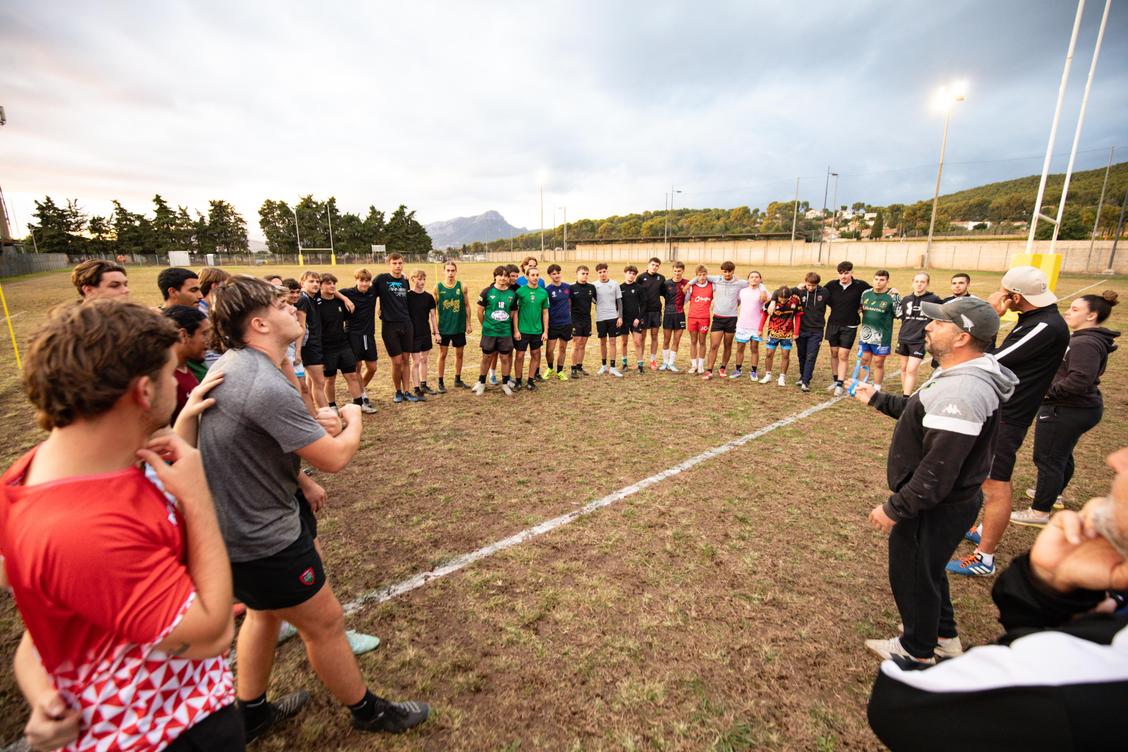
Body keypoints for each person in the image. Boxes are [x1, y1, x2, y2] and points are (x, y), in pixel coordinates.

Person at [195, 275, 429, 740]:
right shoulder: (262, 381)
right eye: (282, 306)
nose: (293, 311)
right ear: (259, 323)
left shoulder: (236, 366)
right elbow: (336, 458)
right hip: (264, 536)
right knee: (325, 623)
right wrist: (352, 418)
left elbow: (264, 434)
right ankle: (368, 712)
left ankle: (251, 709)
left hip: (233, 529)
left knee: (264, 614)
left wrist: (311, 424)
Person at [1, 301, 239, 751]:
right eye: (172, 373)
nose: (179, 383)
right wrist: (197, 498)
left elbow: (52, 620)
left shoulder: (43, 471)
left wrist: (42, 694)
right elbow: (211, 634)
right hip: (163, 733)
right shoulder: (84, 528)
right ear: (143, 393)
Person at [867, 446, 1128, 751]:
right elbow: (1027, 632)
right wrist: (1051, 586)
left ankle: (920, 644)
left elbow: (899, 704)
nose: (1117, 458)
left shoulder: (1102, 672)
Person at [853, 297, 1017, 665]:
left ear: (962, 337)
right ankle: (942, 637)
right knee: (927, 572)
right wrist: (880, 399)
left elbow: (938, 469)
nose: (928, 326)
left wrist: (897, 508)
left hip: (936, 505)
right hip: (945, 502)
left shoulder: (964, 390)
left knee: (913, 574)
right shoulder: (962, 373)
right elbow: (925, 410)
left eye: (939, 323)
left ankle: (917, 650)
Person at [949, 266, 1070, 578]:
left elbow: (992, 361)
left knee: (995, 481)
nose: (1002, 297)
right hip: (1003, 410)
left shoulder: (1045, 325)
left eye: (1006, 293)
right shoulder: (1034, 320)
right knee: (984, 475)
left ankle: (984, 556)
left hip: (1010, 414)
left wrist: (989, 316)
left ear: (1016, 296)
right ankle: (983, 529)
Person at [1012, 291, 1120, 527]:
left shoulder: (1085, 342)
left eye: (1074, 309)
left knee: (1048, 459)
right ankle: (1054, 494)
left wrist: (1048, 392)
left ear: (1091, 315)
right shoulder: (1086, 339)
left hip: (1066, 409)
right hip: (1079, 409)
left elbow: (1080, 379)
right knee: (1061, 456)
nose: (1068, 312)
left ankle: (1040, 511)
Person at [318, 273, 370, 412]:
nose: (332, 286)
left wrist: (345, 299)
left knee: (352, 375)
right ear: (320, 285)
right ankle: (332, 406)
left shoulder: (339, 302)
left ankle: (359, 405)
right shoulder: (315, 303)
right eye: (328, 283)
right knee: (330, 379)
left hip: (343, 345)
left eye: (334, 283)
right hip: (326, 348)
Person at [373, 254, 416, 403]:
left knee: (406, 359)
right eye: (394, 263)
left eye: (400, 263)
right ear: (389, 264)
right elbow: (372, 295)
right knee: (396, 361)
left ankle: (407, 391)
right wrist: (379, 309)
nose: (398, 266)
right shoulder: (381, 279)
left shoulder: (405, 281)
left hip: (406, 323)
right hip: (390, 325)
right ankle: (397, 391)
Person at [824, 261, 872, 396]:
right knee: (834, 353)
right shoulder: (831, 285)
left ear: (852, 272)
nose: (843, 276)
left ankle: (840, 383)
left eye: (846, 273)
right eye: (841, 273)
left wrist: (892, 291)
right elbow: (818, 292)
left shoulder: (860, 286)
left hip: (850, 325)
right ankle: (835, 379)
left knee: (843, 354)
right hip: (833, 324)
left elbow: (875, 292)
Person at [473, 266, 518, 396]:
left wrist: (510, 327)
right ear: (495, 277)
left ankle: (505, 383)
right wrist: (485, 325)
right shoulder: (487, 292)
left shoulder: (512, 294)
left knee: (505, 358)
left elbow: (513, 312)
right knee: (486, 357)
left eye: (505, 276)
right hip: (489, 332)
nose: (503, 278)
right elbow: (480, 311)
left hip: (504, 332)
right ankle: (481, 382)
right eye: (500, 275)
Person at [163, 305, 212, 424]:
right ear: (183, 335)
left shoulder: (185, 369)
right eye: (204, 334)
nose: (209, 340)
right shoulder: (166, 380)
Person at [897, 273, 943, 395]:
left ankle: (906, 397)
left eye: (922, 282)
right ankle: (904, 392)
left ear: (927, 284)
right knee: (903, 368)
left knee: (911, 370)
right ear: (913, 282)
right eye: (917, 281)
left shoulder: (934, 300)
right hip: (904, 337)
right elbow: (903, 318)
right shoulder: (906, 299)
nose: (919, 284)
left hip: (919, 340)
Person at [339, 268, 379, 406]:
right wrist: (345, 299)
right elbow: (333, 291)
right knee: (357, 366)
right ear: (356, 280)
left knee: (372, 367)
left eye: (367, 281)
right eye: (361, 280)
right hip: (353, 334)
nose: (364, 284)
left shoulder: (372, 292)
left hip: (368, 334)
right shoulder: (348, 292)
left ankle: (360, 389)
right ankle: (362, 395)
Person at [857, 270, 901, 392]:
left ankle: (877, 388)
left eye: (882, 280)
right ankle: (861, 385)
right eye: (876, 279)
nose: (878, 282)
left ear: (887, 281)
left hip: (882, 337)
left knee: (878, 362)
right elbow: (860, 309)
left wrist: (897, 298)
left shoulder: (892, 295)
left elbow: (899, 313)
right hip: (866, 334)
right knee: (864, 360)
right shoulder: (866, 293)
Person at [704, 261, 749, 378]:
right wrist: (689, 284)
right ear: (721, 271)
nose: (727, 274)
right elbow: (701, 276)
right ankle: (709, 370)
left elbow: (757, 282)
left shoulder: (740, 283)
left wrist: (763, 290)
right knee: (714, 345)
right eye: (725, 271)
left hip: (731, 318)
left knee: (727, 345)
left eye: (730, 271)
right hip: (718, 318)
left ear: (733, 271)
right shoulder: (716, 279)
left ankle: (723, 367)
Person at [434, 261, 471, 392]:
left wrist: (468, 323)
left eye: (452, 270)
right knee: (443, 354)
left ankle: (457, 379)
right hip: (444, 328)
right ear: (444, 271)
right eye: (448, 270)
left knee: (459, 354)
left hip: (459, 327)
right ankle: (440, 381)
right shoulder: (438, 288)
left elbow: (467, 305)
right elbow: (433, 310)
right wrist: (435, 328)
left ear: (456, 271)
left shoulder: (462, 286)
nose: (450, 273)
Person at [758, 284, 802, 386]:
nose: (782, 301)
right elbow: (764, 315)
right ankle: (768, 375)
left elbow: (798, 316)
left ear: (790, 297)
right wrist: (760, 329)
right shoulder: (771, 302)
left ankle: (782, 377)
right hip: (773, 332)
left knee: (785, 355)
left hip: (787, 333)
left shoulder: (795, 301)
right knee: (769, 354)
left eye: (785, 299)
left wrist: (796, 332)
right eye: (780, 299)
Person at [513, 266, 550, 390]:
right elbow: (515, 312)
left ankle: (530, 380)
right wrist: (516, 330)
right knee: (519, 356)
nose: (535, 277)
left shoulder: (543, 292)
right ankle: (518, 381)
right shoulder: (520, 292)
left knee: (536, 354)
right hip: (522, 330)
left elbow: (545, 313)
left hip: (537, 331)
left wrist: (545, 331)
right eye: (532, 275)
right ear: (527, 277)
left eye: (537, 275)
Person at [295, 270, 327, 410]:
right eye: (311, 281)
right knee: (319, 383)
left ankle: (312, 412)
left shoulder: (313, 297)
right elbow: (301, 327)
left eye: (317, 282)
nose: (315, 284)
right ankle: (326, 413)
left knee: (312, 382)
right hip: (309, 347)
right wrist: (298, 351)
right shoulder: (303, 299)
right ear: (302, 283)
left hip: (316, 344)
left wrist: (345, 299)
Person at [406, 270, 439, 400]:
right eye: (419, 279)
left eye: (423, 279)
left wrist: (436, 332)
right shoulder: (407, 296)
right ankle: (416, 388)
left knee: (424, 359)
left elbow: (433, 316)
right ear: (413, 279)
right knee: (416, 361)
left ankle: (424, 384)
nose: (422, 282)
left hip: (425, 332)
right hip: (412, 334)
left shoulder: (429, 297)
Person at [794, 272, 828, 393]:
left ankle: (806, 381)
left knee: (811, 356)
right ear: (805, 282)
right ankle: (802, 376)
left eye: (813, 286)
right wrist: (797, 288)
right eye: (808, 285)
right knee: (801, 354)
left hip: (816, 331)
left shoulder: (824, 292)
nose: (810, 288)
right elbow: (782, 293)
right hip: (801, 330)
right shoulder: (799, 291)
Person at [731, 271, 769, 380]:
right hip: (742, 325)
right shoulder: (742, 291)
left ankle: (753, 371)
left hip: (756, 326)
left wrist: (763, 289)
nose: (754, 279)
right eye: (752, 277)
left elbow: (772, 299)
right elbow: (737, 302)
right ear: (748, 279)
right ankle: (738, 369)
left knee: (754, 348)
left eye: (757, 277)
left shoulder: (763, 292)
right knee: (740, 348)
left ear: (760, 279)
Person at [593, 262, 624, 378]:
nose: (602, 274)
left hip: (613, 317)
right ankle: (604, 366)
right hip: (600, 317)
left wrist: (620, 316)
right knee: (602, 342)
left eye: (604, 271)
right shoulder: (594, 285)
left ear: (607, 271)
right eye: (600, 272)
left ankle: (613, 367)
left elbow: (619, 302)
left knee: (612, 342)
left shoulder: (615, 284)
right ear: (597, 273)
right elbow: (592, 298)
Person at [544, 264, 573, 381]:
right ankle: (550, 368)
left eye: (558, 273)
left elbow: (570, 302)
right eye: (554, 274)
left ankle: (560, 371)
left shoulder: (567, 287)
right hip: (553, 324)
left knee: (562, 349)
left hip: (566, 323)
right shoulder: (547, 290)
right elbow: (545, 308)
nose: (556, 276)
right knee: (549, 350)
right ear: (550, 275)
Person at [637, 257, 666, 370]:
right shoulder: (640, 278)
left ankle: (653, 360)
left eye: (657, 265)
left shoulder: (661, 278)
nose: (654, 267)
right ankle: (641, 360)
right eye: (653, 264)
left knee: (654, 335)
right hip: (644, 312)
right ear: (648, 265)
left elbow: (665, 293)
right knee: (642, 337)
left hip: (656, 311)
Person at [659, 260, 689, 372]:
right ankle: (665, 363)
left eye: (679, 271)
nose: (677, 273)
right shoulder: (666, 284)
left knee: (676, 340)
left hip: (680, 315)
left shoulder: (687, 283)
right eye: (675, 271)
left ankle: (671, 363)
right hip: (668, 314)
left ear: (683, 271)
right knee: (666, 340)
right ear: (673, 270)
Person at [685, 265, 714, 376]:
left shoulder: (712, 286)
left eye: (704, 275)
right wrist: (691, 283)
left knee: (702, 341)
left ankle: (701, 365)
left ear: (707, 275)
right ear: (696, 276)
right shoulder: (692, 287)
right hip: (692, 317)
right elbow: (684, 294)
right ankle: (694, 365)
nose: (702, 277)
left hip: (705, 318)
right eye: (699, 275)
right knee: (693, 341)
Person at [569, 265, 597, 378]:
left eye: (586, 274)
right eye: (582, 273)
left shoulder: (591, 287)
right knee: (576, 343)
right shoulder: (572, 288)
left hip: (587, 320)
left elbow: (596, 301)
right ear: (577, 274)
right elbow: (568, 304)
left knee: (583, 344)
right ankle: (573, 368)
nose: (585, 276)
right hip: (575, 320)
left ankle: (580, 366)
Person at [618, 265, 645, 374]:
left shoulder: (639, 288)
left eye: (634, 274)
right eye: (629, 273)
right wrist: (619, 317)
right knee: (624, 342)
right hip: (624, 320)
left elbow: (644, 305)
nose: (631, 275)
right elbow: (618, 305)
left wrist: (638, 318)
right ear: (625, 273)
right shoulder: (620, 288)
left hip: (635, 320)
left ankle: (640, 365)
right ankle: (624, 364)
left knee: (638, 342)